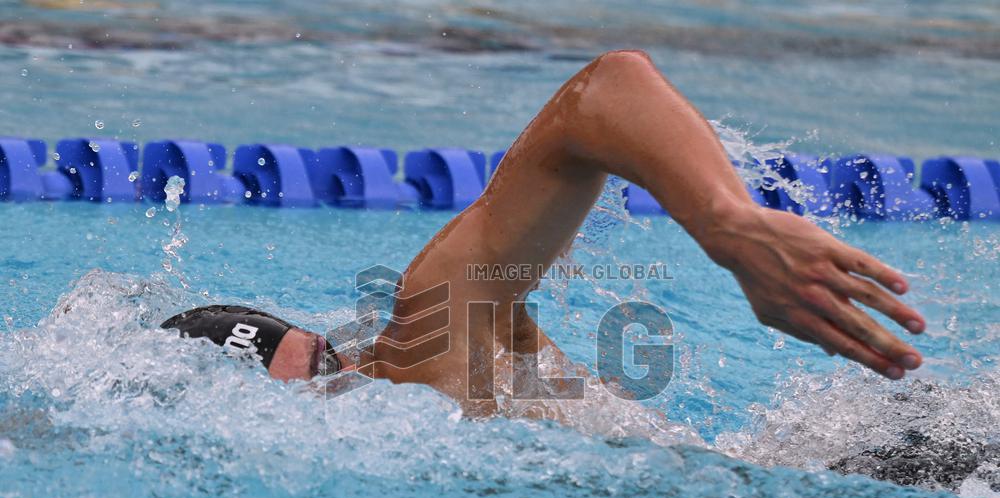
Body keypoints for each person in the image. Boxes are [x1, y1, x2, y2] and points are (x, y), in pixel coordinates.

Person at [162, 50, 926, 416]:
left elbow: (606, 90)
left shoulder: (421, 347)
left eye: (330, 358)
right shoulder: (437, 373)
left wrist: (729, 225)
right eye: (325, 367)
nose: (350, 366)